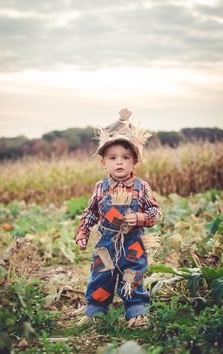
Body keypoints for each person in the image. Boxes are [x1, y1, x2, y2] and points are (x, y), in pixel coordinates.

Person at [75, 108, 162, 327]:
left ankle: (136, 312)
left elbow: (155, 213)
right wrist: (83, 231)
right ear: (104, 162)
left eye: (125, 157)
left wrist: (141, 218)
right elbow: (91, 212)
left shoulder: (142, 187)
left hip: (133, 242)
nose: (119, 162)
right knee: (101, 275)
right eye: (113, 158)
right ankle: (95, 311)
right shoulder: (100, 187)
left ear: (135, 161)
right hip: (106, 242)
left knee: (132, 275)